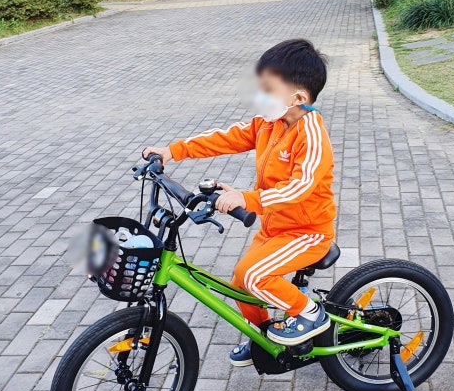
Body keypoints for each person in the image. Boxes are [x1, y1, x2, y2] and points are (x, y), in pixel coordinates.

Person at [144, 38, 337, 366]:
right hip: (275, 227)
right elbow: (227, 138)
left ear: (298, 98)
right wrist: (172, 151)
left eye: (268, 89)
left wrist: (246, 198)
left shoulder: (311, 135)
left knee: (252, 275)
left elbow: (299, 188)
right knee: (241, 283)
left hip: (307, 232)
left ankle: (310, 313)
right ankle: (264, 339)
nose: (260, 95)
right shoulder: (268, 123)